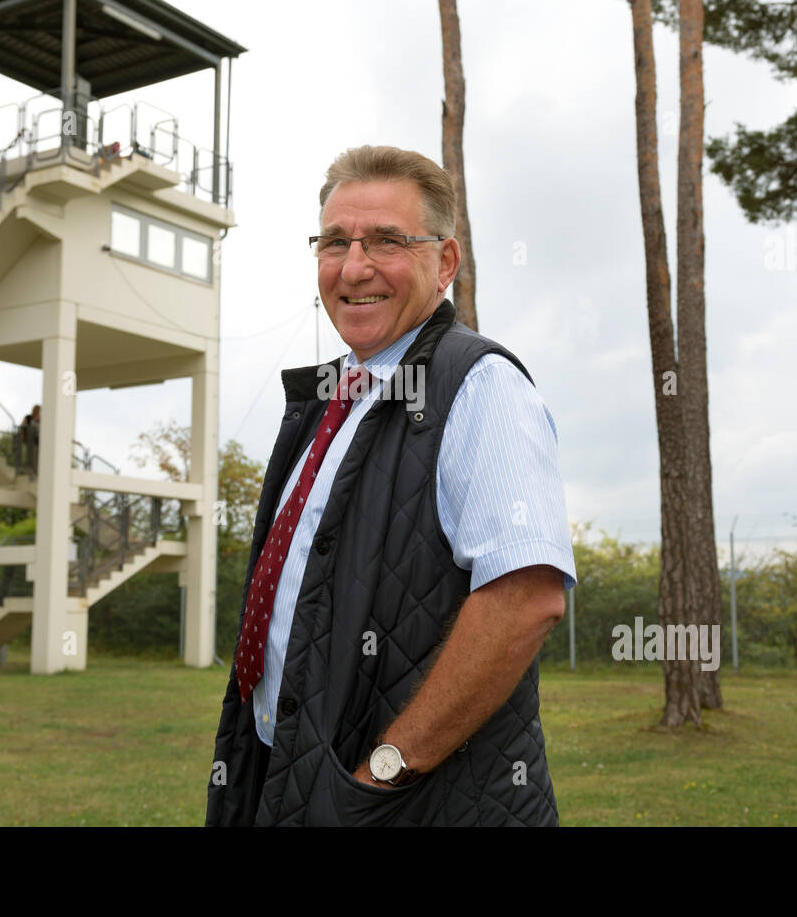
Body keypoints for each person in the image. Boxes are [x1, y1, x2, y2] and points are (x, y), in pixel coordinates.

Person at [205, 145, 578, 826]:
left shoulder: (479, 385)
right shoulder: (327, 401)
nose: (353, 267)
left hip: (403, 800)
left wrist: (383, 772)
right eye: (334, 242)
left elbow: (525, 597)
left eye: (386, 241)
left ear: (445, 262)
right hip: (282, 765)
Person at [16, 405, 40, 478]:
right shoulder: (28, 418)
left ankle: (34, 472)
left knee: (36, 457)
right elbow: (22, 427)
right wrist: (22, 436)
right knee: (29, 456)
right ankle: (29, 472)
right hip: (29, 440)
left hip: (37, 442)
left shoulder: (41, 420)